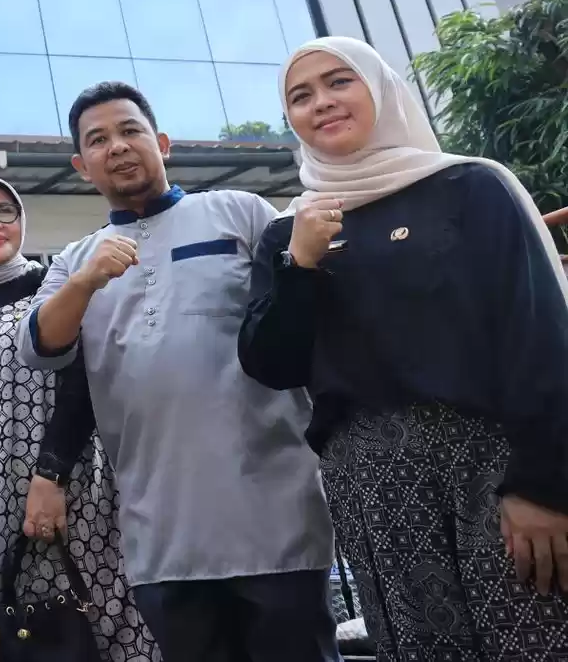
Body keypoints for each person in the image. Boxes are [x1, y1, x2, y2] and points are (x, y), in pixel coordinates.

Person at [241, 37, 568, 656]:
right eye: (300, 96)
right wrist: (299, 265)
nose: (322, 103)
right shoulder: (290, 230)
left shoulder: (470, 187)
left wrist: (545, 486)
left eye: (340, 82)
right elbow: (270, 363)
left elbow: (538, 335)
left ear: (381, 89)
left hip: (492, 461)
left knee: (535, 637)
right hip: (372, 480)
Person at [15, 81, 339, 662]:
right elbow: (40, 346)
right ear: (81, 164)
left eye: (130, 130)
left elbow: (301, 313)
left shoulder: (240, 213)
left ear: (161, 142)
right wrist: (87, 281)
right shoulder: (73, 259)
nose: (117, 146)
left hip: (275, 514)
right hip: (160, 532)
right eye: (98, 140)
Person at [0, 175, 156, 661]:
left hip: (70, 480)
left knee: (91, 608)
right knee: (2, 624)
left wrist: (53, 473)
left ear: (22, 220)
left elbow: (85, 384)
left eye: (5, 211)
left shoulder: (56, 287)